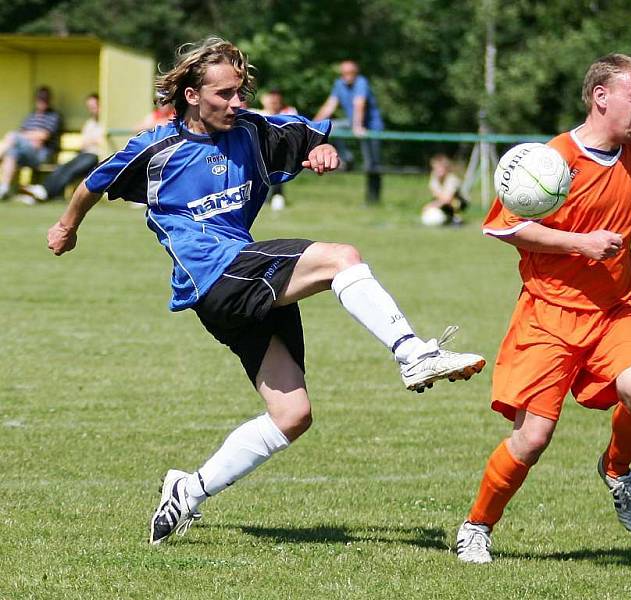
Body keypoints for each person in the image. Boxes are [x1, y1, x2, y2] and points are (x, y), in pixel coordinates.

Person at [46, 37, 485, 546]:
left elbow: (310, 138)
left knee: (293, 416)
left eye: (241, 92)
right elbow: (94, 183)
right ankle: (411, 353)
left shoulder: (253, 131)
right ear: (191, 95)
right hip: (214, 276)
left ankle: (187, 492)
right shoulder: (155, 149)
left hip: (241, 280)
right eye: (225, 94)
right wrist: (66, 225)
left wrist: (321, 149)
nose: (238, 103)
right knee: (341, 256)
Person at [454, 54, 631, 564]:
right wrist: (579, 244)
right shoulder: (550, 158)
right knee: (533, 437)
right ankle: (476, 526)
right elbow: (506, 227)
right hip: (549, 315)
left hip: (616, 310)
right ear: (601, 97)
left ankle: (616, 469)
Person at [314, 60, 383, 204]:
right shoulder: (339, 84)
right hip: (353, 123)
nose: (347, 76)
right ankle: (347, 157)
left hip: (371, 127)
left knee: (372, 164)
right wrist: (313, 125)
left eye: (350, 73)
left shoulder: (361, 83)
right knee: (331, 128)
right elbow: (330, 106)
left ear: (356, 73)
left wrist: (357, 126)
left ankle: (373, 200)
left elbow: (359, 104)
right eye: (344, 73)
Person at [19, 93, 106, 203]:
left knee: (72, 170)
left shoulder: (106, 123)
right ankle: (43, 190)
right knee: (64, 167)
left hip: (97, 156)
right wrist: (93, 140)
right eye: (90, 107)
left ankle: (45, 192)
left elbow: (101, 141)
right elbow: (85, 143)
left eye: (94, 107)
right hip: (85, 153)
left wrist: (92, 141)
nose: (92, 110)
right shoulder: (90, 123)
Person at [0, 86, 62, 200]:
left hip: (42, 155)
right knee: (11, 152)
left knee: (11, 136)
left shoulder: (54, 116)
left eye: (45, 99)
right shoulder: (31, 116)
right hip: (28, 151)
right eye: (40, 98)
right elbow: (26, 134)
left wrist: (26, 137)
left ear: (49, 100)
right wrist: (32, 138)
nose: (42, 101)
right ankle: (3, 189)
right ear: (36, 99)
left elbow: (44, 136)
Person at [253, 89, 299, 210]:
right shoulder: (255, 114)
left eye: (276, 99)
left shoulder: (288, 113)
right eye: (271, 98)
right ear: (263, 100)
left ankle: (273, 195)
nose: (274, 101)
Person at [421, 154, 468, 226]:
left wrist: (431, 205)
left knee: (454, 202)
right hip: (444, 199)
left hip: (459, 201)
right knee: (436, 201)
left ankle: (456, 219)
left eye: (440, 168)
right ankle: (445, 218)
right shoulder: (434, 178)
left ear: (446, 169)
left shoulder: (452, 180)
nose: (438, 171)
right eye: (435, 168)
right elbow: (436, 193)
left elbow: (448, 199)